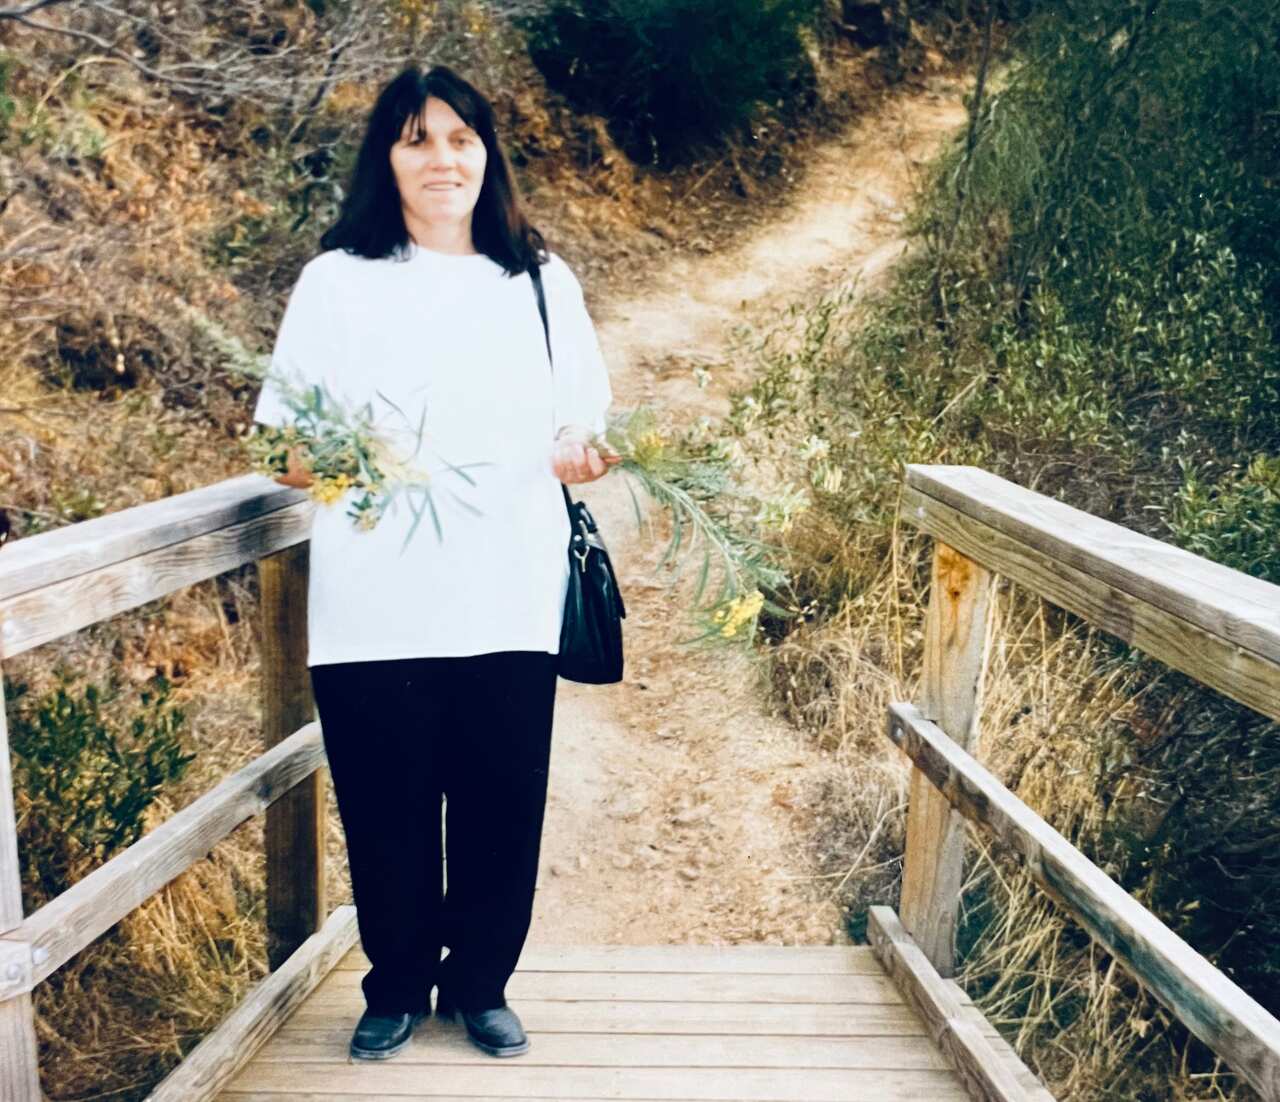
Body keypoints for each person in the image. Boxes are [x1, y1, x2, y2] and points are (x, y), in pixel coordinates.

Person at [251, 64, 619, 1062]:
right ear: (387, 156)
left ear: (487, 152)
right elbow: (281, 444)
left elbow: (581, 421)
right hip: (374, 600)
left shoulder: (539, 279)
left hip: (506, 590)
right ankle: (396, 984)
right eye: (418, 139)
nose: (441, 159)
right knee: (386, 805)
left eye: (460, 138)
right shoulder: (336, 282)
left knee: (501, 802)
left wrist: (580, 451)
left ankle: (481, 986)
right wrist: (356, 460)